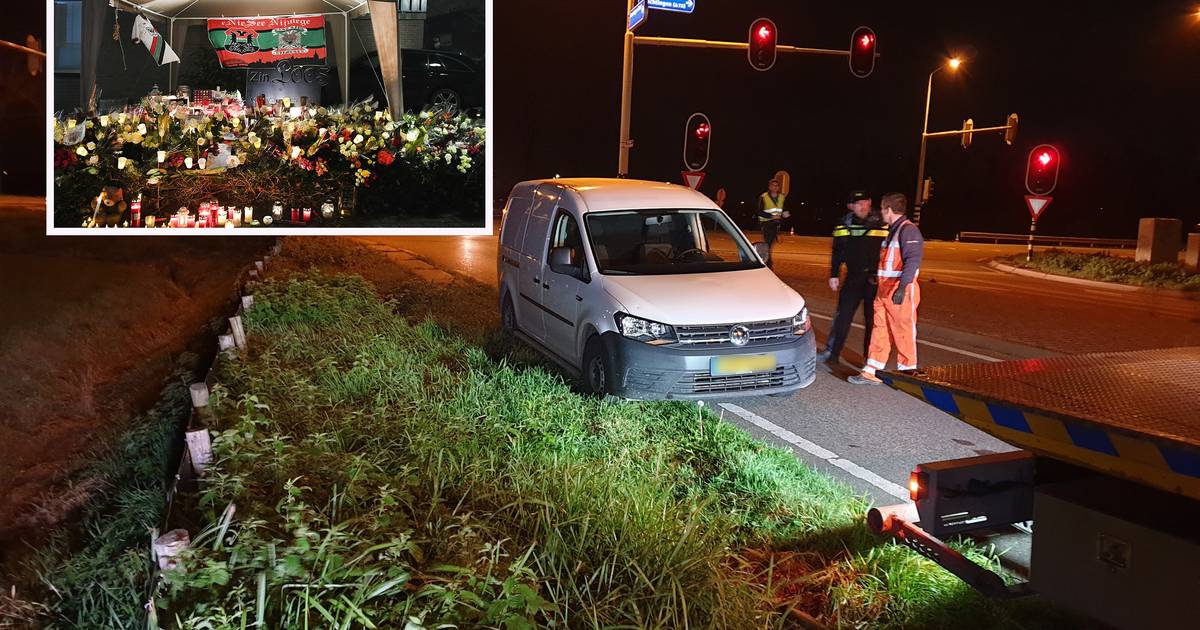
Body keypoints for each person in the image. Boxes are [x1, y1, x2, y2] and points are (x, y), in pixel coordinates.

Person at [849, 192, 925, 385]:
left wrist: (902, 287)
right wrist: (878, 276)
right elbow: (889, 261)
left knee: (903, 330)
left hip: (899, 290)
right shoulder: (893, 230)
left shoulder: (908, 231)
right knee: (879, 329)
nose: (880, 212)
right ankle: (872, 371)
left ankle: (908, 374)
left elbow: (913, 260)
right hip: (884, 289)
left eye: (883, 208)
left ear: (889, 209)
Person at [816, 190, 887, 367]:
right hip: (853, 277)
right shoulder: (844, 224)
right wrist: (834, 274)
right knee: (842, 316)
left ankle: (869, 359)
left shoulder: (884, 223)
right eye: (857, 204)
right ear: (851, 206)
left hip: (875, 280)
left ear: (870, 202)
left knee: (873, 321)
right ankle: (832, 353)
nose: (861, 206)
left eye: (864, 202)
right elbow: (837, 250)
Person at [756, 179, 790, 268]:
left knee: (770, 244)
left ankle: (765, 261)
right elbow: (759, 211)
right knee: (768, 244)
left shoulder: (782, 197)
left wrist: (786, 215)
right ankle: (768, 264)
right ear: (769, 187)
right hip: (766, 223)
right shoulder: (763, 196)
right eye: (773, 185)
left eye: (777, 186)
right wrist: (772, 216)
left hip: (777, 224)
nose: (775, 187)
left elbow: (784, 209)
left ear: (779, 187)